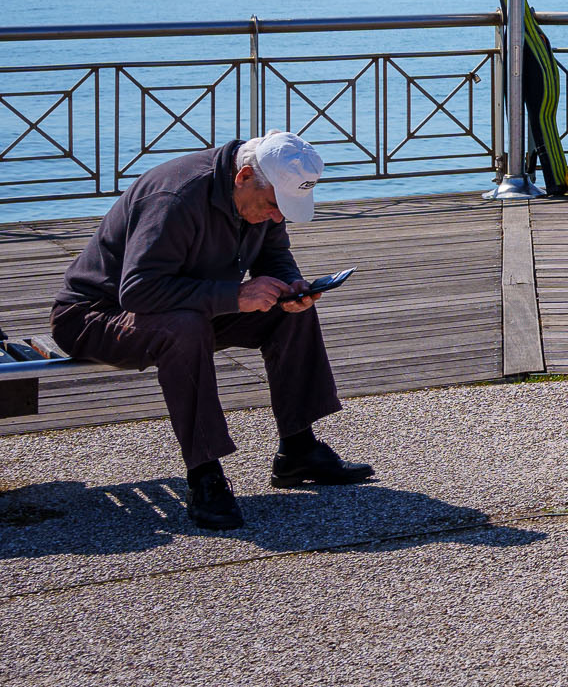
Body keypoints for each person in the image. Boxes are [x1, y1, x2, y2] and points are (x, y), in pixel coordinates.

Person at [52, 132, 376, 531]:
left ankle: (298, 449)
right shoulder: (175, 197)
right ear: (242, 177)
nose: (278, 217)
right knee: (184, 328)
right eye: (275, 205)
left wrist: (291, 286)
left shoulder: (259, 195)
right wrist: (235, 296)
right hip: (96, 317)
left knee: (291, 313)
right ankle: (204, 474)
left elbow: (274, 255)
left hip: (183, 304)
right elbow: (138, 291)